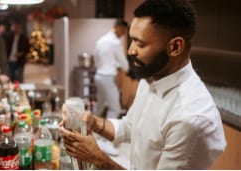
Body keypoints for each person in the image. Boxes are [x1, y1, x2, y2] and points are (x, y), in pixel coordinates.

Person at [59, 0, 226, 169]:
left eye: (140, 44)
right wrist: (94, 122)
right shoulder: (151, 78)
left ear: (175, 47)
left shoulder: (190, 118)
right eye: (131, 40)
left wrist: (98, 158)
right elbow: (129, 126)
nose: (131, 50)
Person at [93, 18, 129, 119]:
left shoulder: (101, 40)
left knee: (100, 105)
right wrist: (128, 70)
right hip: (107, 78)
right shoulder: (115, 42)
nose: (123, 34)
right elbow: (123, 61)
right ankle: (107, 133)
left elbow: (96, 56)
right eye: (123, 31)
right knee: (115, 108)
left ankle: (89, 128)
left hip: (98, 76)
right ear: (118, 28)